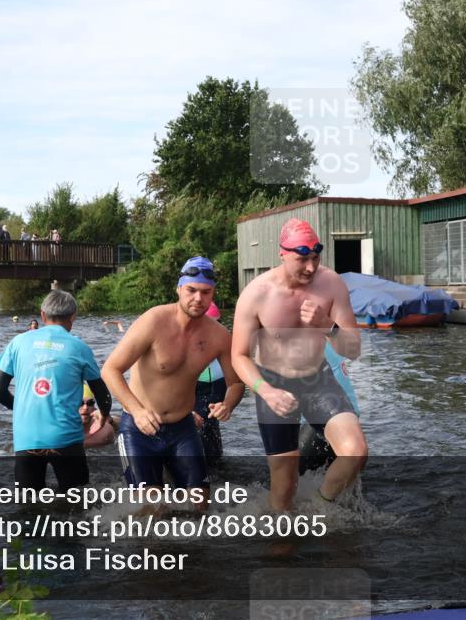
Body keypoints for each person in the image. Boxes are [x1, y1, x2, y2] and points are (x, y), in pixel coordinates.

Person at [232, 218, 368, 511]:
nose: (310, 267)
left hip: (317, 380)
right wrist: (264, 391)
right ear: (282, 254)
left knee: (355, 453)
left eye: (316, 258)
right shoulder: (256, 294)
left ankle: (321, 507)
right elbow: (239, 356)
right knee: (284, 485)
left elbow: (353, 350)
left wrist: (326, 325)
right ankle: (282, 546)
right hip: (273, 385)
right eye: (302, 259)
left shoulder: (331, 284)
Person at [100, 257, 245, 508]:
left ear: (213, 294)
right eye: (191, 290)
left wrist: (227, 404)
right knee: (150, 508)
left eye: (205, 292)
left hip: (183, 429)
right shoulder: (153, 320)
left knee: (200, 505)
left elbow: (236, 383)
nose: (198, 299)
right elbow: (110, 369)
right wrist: (138, 411)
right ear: (179, 288)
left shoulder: (219, 336)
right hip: (139, 428)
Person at [0, 290, 113, 492]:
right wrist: (104, 416)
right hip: (66, 439)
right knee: (78, 503)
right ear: (73, 316)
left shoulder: (18, 342)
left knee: (28, 507)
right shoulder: (79, 347)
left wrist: (21, 408)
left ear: (42, 315)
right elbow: (101, 391)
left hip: (26, 439)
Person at [194, 303, 227, 466]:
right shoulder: (183, 350)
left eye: (217, 324)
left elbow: (237, 384)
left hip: (214, 403)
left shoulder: (225, 346)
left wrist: (228, 404)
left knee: (215, 458)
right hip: (192, 409)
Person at [81, 384, 118, 448]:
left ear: (94, 407)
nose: (85, 407)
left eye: (90, 403)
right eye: (80, 403)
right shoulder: (59, 431)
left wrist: (110, 420)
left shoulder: (105, 430)